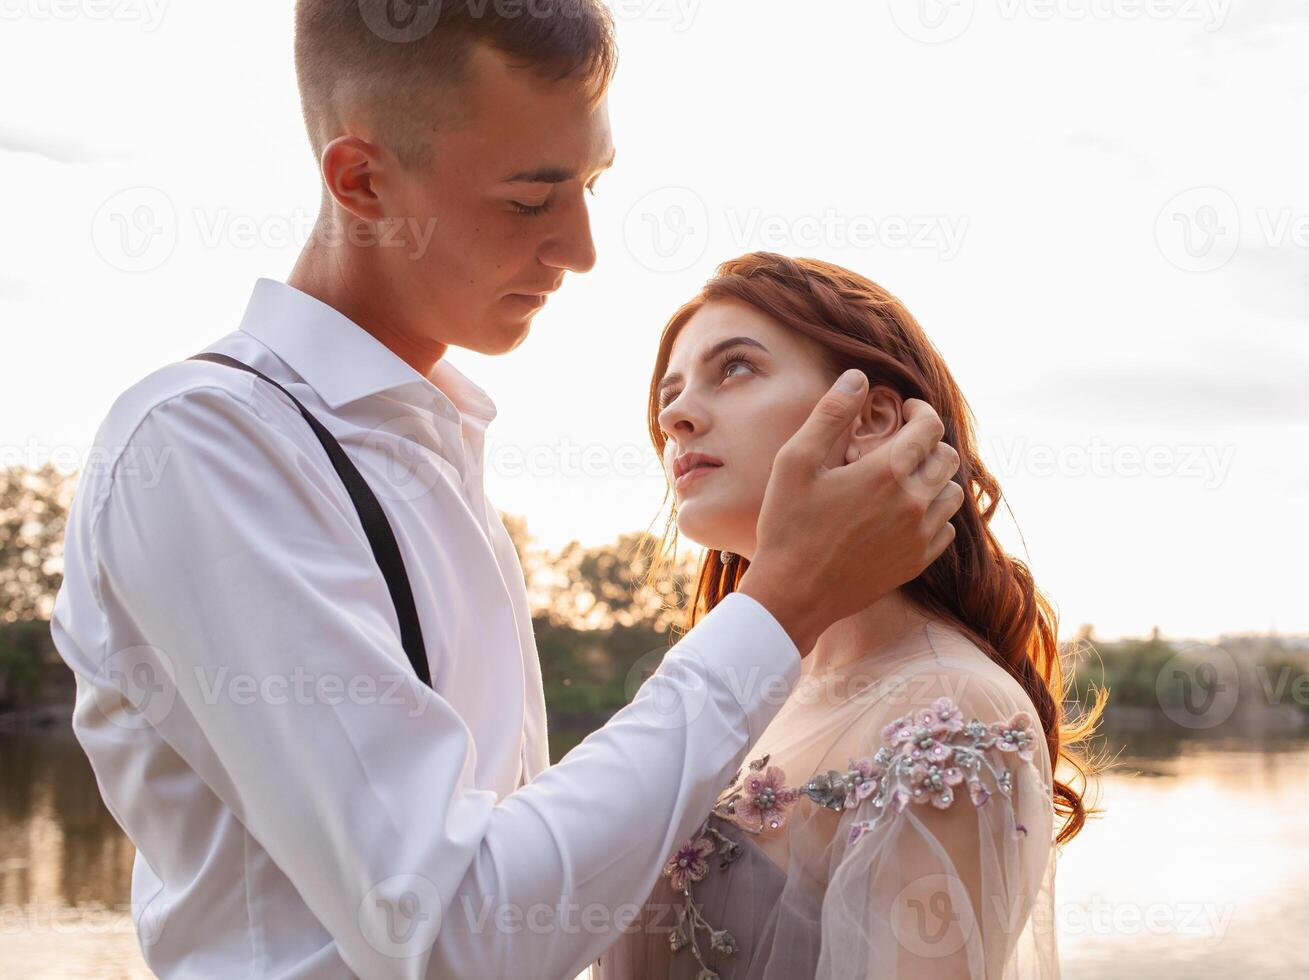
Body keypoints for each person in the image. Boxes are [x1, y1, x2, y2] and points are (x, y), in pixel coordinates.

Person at [48, 5, 964, 978]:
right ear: (362, 181)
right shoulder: (204, 447)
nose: (580, 250)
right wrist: (780, 604)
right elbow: (456, 930)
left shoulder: (436, 452)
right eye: (532, 200)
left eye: (591, 185)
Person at [593, 253, 1103, 979]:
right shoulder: (738, 689)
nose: (674, 416)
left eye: (734, 368)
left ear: (871, 418)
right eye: (669, 394)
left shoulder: (950, 711)